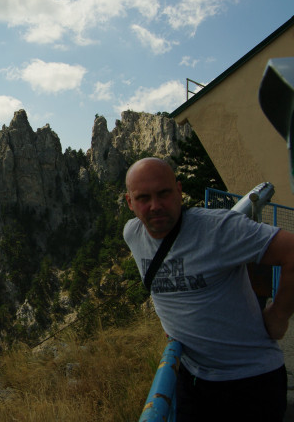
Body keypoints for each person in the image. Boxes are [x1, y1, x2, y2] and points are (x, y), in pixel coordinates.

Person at [123, 157, 294, 422]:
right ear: (130, 203)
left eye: (164, 193)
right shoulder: (132, 234)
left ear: (179, 191)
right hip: (192, 379)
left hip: (253, 381)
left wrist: (279, 316)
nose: (155, 206)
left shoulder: (219, 228)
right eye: (143, 197)